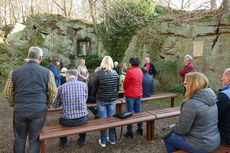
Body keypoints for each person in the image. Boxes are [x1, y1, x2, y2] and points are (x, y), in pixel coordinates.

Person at [4, 46, 57, 153]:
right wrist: (48, 104)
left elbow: (7, 92)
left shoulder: (14, 72)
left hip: (20, 109)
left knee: (19, 139)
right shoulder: (47, 72)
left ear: (28, 56)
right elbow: (53, 91)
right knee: (34, 139)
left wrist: (14, 103)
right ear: (40, 58)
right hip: (38, 110)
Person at [164, 72, 220, 153]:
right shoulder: (212, 97)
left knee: (168, 137)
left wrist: (172, 128)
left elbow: (182, 130)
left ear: (193, 85)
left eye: (186, 83)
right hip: (214, 141)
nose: (183, 85)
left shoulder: (190, 104)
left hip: (202, 145)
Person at [53, 69, 88, 148]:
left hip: (67, 120)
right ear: (76, 76)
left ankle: (63, 143)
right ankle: (82, 140)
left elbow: (56, 105)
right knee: (83, 116)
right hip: (83, 118)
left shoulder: (61, 87)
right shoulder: (84, 85)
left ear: (67, 76)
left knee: (60, 120)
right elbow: (85, 99)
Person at [92, 56, 119, 147]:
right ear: (111, 63)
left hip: (101, 99)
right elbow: (117, 87)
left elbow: (94, 88)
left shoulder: (98, 73)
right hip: (112, 99)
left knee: (103, 121)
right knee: (111, 119)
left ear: (102, 62)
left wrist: (95, 96)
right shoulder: (115, 73)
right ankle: (112, 139)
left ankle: (103, 141)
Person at [123, 57, 143, 138]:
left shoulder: (129, 71)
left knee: (129, 113)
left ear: (131, 63)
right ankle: (140, 128)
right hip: (138, 94)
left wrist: (126, 89)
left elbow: (125, 84)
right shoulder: (140, 71)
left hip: (130, 94)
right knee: (138, 112)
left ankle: (130, 131)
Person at [217, 68, 230, 145]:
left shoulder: (224, 96)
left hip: (224, 138)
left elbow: (213, 117)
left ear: (229, 78)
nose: (221, 79)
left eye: (223, 76)